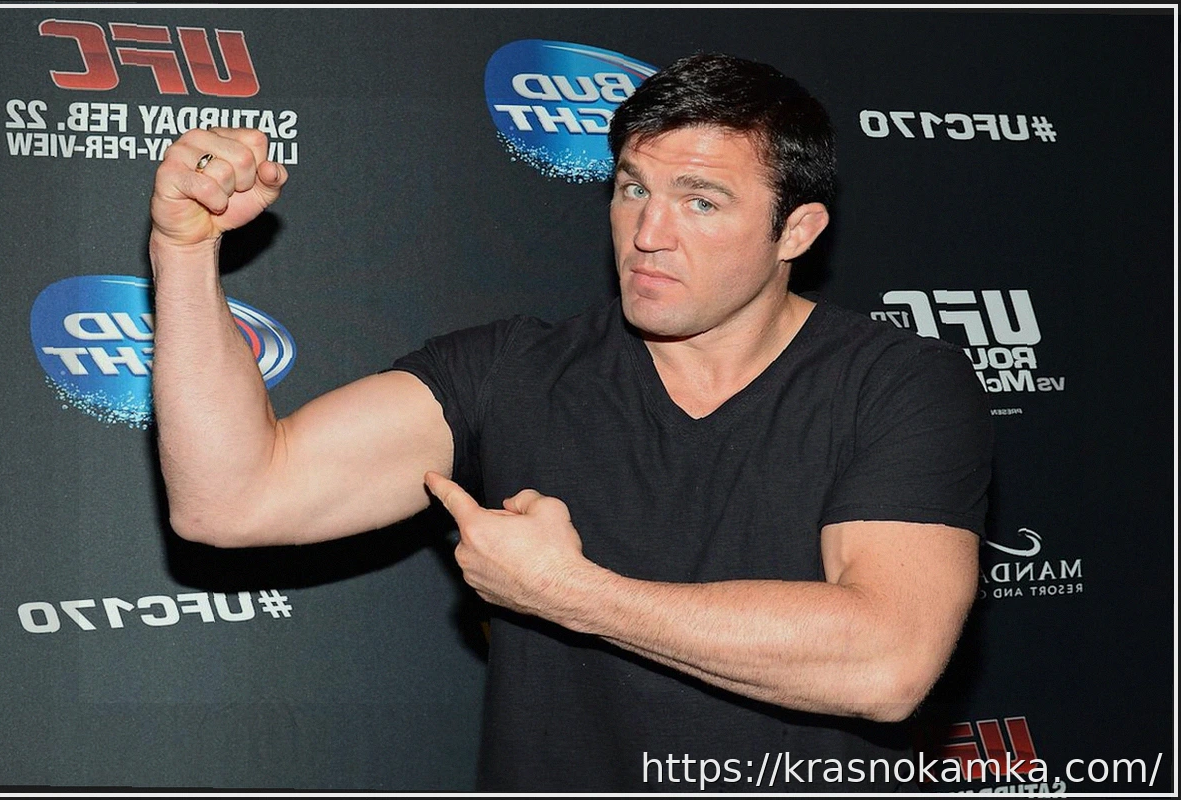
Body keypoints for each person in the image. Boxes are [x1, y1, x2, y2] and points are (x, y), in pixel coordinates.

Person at [149, 52, 992, 792]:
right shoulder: (513, 372)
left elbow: (888, 661)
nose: (648, 233)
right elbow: (230, 500)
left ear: (796, 231)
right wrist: (185, 252)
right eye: (633, 188)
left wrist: (573, 593)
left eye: (701, 202)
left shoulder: (897, 383)